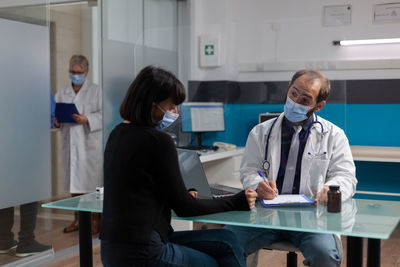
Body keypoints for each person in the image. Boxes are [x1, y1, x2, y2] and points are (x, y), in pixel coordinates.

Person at [99, 66, 258, 267]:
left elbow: (139, 190)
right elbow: (185, 208)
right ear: (153, 104)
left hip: (112, 249)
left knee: (227, 239)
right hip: (143, 252)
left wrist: (179, 193)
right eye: (172, 106)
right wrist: (237, 201)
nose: (176, 113)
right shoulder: (159, 141)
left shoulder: (117, 134)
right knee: (215, 262)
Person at [226, 69, 357, 267]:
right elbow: (248, 171)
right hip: (265, 216)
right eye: (293, 93)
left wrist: (330, 189)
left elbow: (345, 176)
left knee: (325, 255)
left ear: (319, 105)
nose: (295, 102)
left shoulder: (334, 135)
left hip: (313, 218)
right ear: (288, 88)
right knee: (224, 244)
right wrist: (258, 184)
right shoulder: (260, 132)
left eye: (305, 100)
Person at [54, 55, 102, 234]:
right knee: (74, 186)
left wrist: (87, 118)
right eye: (72, 72)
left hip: (89, 144)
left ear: (86, 72)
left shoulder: (96, 91)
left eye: (78, 72)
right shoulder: (62, 91)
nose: (75, 75)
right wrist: (57, 122)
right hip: (70, 143)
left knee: (91, 187)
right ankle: (76, 220)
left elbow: (104, 115)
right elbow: (55, 115)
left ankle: (95, 221)